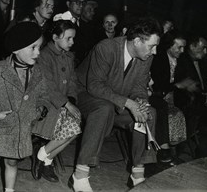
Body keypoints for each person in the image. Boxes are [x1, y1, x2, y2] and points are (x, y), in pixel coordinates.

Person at [69, 17, 162, 192]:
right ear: (136, 41)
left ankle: (137, 174)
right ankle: (79, 174)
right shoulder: (106, 48)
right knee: (104, 108)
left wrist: (140, 102)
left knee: (149, 113)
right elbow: (95, 85)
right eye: (152, 46)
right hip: (86, 95)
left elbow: (139, 87)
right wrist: (128, 103)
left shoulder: (145, 57)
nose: (155, 51)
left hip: (116, 99)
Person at [0, 22, 51, 192]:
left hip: (22, 128)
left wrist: (40, 109)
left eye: (39, 47)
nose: (38, 52)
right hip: (0, 127)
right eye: (33, 48)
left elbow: (44, 95)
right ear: (16, 49)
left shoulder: (37, 73)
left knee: (12, 161)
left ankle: (9, 190)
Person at [31, 16, 82, 182]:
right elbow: (48, 86)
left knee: (75, 127)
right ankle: (45, 158)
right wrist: (66, 104)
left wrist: (71, 100)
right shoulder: (44, 56)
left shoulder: (68, 56)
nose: (72, 42)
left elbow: (73, 80)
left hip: (63, 102)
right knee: (73, 126)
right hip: (46, 102)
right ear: (55, 38)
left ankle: (44, 157)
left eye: (73, 38)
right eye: (68, 38)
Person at [150, 30, 187, 163]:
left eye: (184, 47)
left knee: (187, 109)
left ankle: (177, 151)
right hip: (157, 96)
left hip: (173, 97)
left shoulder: (181, 62)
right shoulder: (158, 59)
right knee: (165, 110)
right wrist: (177, 85)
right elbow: (158, 86)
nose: (182, 50)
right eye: (179, 47)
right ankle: (164, 151)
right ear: (169, 46)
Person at [174, 35, 207, 157]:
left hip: (202, 101)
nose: (206, 51)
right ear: (192, 46)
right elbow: (184, 87)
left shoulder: (203, 63)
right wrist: (204, 97)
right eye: (203, 48)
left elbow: (205, 85)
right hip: (188, 103)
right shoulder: (181, 61)